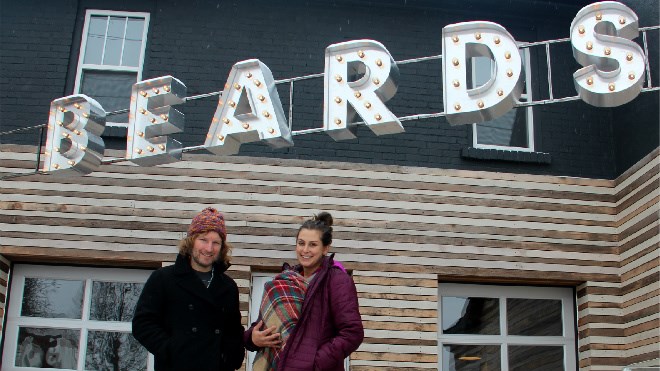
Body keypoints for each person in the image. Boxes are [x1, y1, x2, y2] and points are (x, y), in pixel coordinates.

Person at [244, 212, 364, 371]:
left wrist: (315, 363)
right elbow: (263, 324)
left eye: (313, 245)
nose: (305, 250)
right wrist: (252, 338)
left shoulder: (336, 281)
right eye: (301, 243)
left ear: (325, 249)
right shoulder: (283, 282)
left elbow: (352, 333)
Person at [132, 207, 245, 371]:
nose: (209, 248)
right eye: (203, 240)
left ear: (222, 248)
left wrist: (230, 358)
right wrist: (173, 350)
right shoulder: (164, 279)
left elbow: (234, 331)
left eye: (216, 243)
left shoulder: (228, 286)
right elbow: (143, 324)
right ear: (191, 241)